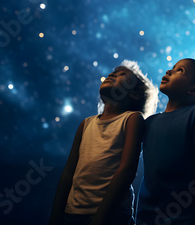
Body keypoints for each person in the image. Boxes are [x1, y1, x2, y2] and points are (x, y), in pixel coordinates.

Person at [49, 60, 158, 225]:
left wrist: (101, 217)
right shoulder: (85, 124)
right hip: (72, 213)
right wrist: (56, 215)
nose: (112, 74)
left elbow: (127, 170)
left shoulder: (132, 119)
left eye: (122, 75)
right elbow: (68, 172)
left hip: (112, 215)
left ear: (135, 94)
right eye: (113, 72)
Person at [136, 58, 195, 225]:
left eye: (180, 70)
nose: (169, 71)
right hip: (146, 218)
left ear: (194, 90)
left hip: (183, 218)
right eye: (172, 68)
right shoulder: (149, 122)